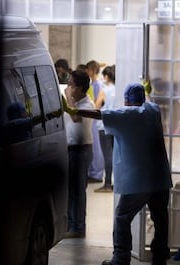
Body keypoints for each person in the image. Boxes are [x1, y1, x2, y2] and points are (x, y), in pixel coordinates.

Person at [62, 82, 173, 265]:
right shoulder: (153, 110)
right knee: (160, 217)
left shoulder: (127, 115)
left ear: (127, 101)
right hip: (160, 178)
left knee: (122, 216)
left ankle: (120, 259)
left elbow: (98, 113)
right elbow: (147, 101)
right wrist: (147, 89)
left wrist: (73, 110)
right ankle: (160, 258)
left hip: (139, 181)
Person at [63, 70, 95, 238]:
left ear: (81, 88)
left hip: (81, 150)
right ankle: (69, 225)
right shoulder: (74, 102)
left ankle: (78, 227)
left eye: (71, 85)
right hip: (70, 149)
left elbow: (76, 118)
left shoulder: (87, 105)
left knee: (77, 191)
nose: (68, 88)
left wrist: (67, 97)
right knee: (69, 190)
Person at [94, 65, 116, 192]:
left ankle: (107, 183)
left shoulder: (104, 90)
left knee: (107, 154)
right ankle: (113, 182)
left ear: (107, 77)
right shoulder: (118, 89)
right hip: (116, 125)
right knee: (114, 154)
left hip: (104, 125)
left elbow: (96, 107)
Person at [86, 59, 105, 183]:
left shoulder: (97, 85)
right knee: (94, 146)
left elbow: (97, 104)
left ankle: (97, 174)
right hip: (92, 119)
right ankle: (93, 171)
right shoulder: (93, 84)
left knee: (97, 147)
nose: (87, 71)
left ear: (92, 70)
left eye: (88, 69)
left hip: (96, 119)